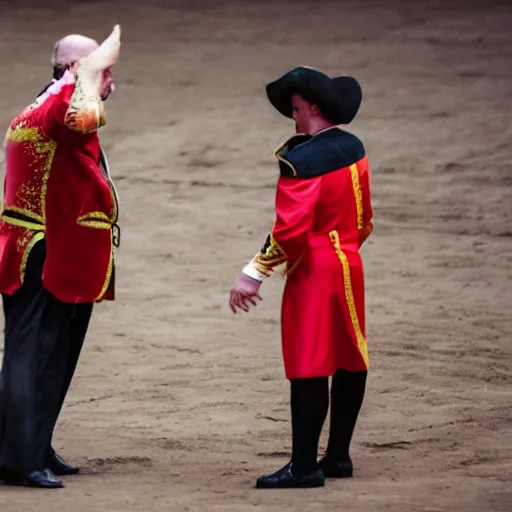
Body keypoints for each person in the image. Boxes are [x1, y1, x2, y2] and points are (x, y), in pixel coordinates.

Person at [229, 66, 373, 489]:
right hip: (349, 263)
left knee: (308, 365)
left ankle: (305, 466)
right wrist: (342, 249)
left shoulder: (301, 161)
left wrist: (253, 272)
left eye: (295, 108)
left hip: (313, 270)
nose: (292, 117)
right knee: (350, 357)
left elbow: (289, 232)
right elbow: (365, 221)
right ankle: (339, 456)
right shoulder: (355, 148)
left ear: (313, 107)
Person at [0, 26, 122, 489]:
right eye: (104, 71)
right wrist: (88, 80)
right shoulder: (61, 103)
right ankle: (19, 457)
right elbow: (86, 116)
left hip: (53, 250)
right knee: (33, 356)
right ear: (75, 69)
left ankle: (33, 444)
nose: (111, 81)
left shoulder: (45, 103)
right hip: (44, 253)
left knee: (50, 355)